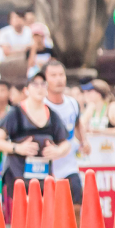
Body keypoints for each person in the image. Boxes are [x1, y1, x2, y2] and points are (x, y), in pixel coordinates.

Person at [0, 71, 72, 201]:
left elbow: (66, 143)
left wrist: (57, 151)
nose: (39, 88)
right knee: (22, 216)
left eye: (43, 84)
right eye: (35, 84)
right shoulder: (16, 113)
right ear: (26, 90)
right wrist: (17, 148)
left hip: (44, 178)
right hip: (18, 177)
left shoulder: (52, 114)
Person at [44, 60, 88, 208]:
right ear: (45, 80)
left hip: (69, 166)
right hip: (46, 169)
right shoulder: (41, 106)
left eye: (61, 75)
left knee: (77, 204)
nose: (58, 79)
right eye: (53, 75)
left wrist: (84, 141)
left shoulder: (72, 104)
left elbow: (77, 123)